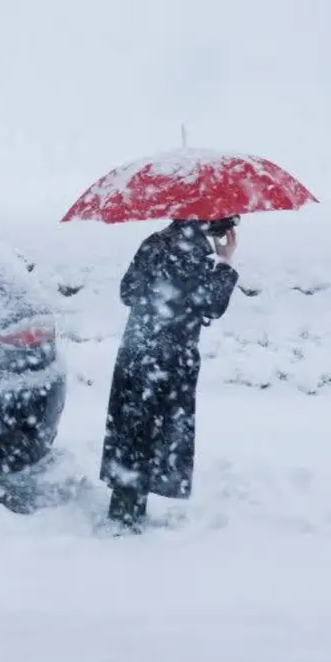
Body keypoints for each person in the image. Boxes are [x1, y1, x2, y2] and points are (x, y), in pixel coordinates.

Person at [99, 214, 240, 533]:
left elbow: (127, 292)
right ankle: (126, 519)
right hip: (169, 357)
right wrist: (225, 262)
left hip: (137, 350)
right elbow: (211, 305)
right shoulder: (191, 252)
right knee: (154, 432)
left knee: (131, 429)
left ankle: (125, 507)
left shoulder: (154, 241)